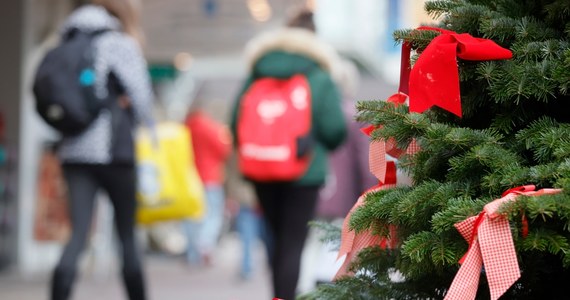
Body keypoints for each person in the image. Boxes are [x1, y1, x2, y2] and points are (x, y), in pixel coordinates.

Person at [230, 8, 347, 300]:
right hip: (304, 172)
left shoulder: (258, 70)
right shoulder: (319, 74)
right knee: (293, 242)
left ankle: (277, 292)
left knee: (275, 236)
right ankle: (284, 295)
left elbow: (235, 122)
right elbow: (335, 130)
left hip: (261, 167)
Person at [48, 1, 155, 300]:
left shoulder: (65, 41)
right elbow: (142, 97)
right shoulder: (119, 43)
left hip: (74, 152)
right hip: (115, 152)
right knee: (127, 238)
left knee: (78, 235)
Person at [298, 59, 379, 293]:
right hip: (344, 197)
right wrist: (370, 197)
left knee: (310, 246)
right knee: (334, 245)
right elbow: (367, 162)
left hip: (312, 191)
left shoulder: (309, 115)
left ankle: (305, 290)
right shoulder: (355, 115)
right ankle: (326, 290)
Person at [183, 105, 232, 266]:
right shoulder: (210, 127)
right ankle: (205, 245)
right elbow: (224, 149)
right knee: (212, 214)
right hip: (210, 177)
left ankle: (192, 253)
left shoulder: (183, 129)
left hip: (189, 179)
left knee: (191, 217)